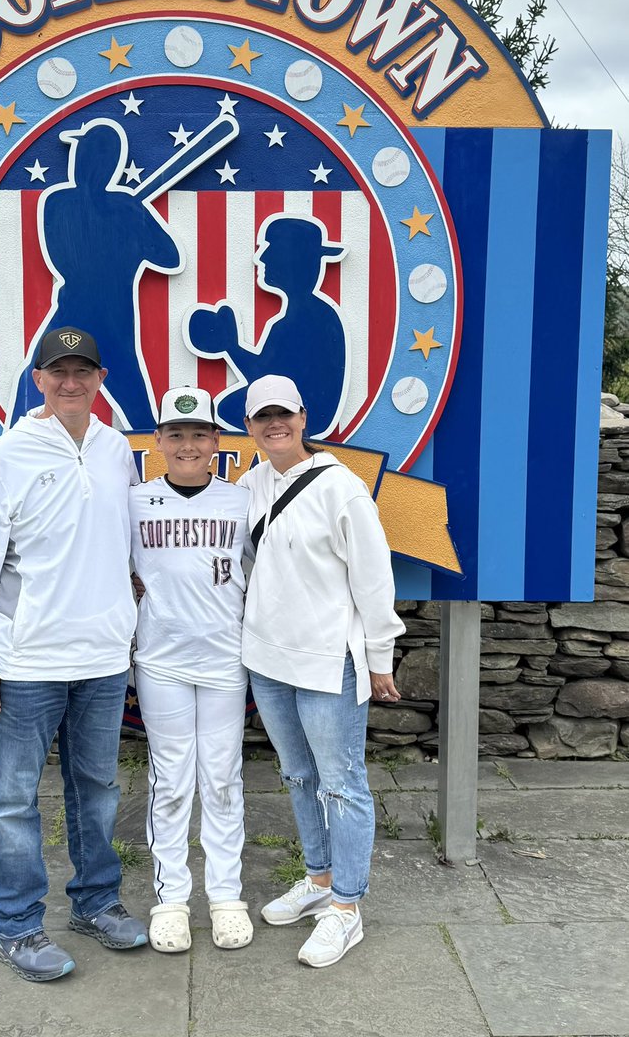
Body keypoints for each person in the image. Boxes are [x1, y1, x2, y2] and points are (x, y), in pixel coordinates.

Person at [0, 326, 148, 984]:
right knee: (13, 798)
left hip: (101, 657)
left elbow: (122, 547)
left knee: (96, 787)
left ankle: (95, 903)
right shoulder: (5, 457)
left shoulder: (117, 449)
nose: (71, 382)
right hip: (28, 660)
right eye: (57, 372)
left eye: (82, 371)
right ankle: (16, 927)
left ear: (99, 378)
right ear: (38, 380)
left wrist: (128, 627)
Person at [239, 374, 404, 969]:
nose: (274, 424)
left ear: (304, 417)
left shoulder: (343, 489)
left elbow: (373, 579)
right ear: (250, 425)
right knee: (297, 775)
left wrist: (380, 657)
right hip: (267, 657)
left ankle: (347, 908)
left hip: (328, 658)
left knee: (342, 782)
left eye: (284, 414)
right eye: (262, 417)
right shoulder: (251, 483)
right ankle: (319, 877)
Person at [129, 387, 253, 954]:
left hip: (226, 658)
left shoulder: (241, 501)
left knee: (223, 777)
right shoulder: (135, 502)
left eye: (199, 433)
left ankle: (226, 894)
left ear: (217, 442)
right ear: (157, 442)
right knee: (172, 780)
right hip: (162, 661)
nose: (187, 444)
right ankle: (172, 899)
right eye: (175, 434)